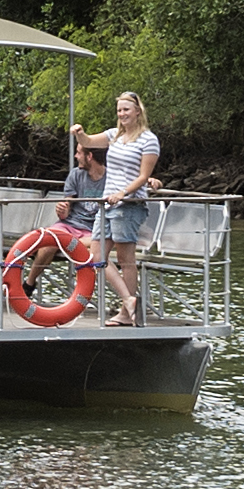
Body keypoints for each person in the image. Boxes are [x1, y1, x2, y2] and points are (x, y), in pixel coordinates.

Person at [92, 90, 163, 328]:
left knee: (125, 259)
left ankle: (126, 312)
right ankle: (129, 301)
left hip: (129, 204)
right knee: (97, 255)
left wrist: (123, 193)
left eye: (126, 109)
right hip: (106, 203)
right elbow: (88, 142)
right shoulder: (113, 135)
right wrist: (79, 133)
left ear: (137, 111)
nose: (122, 114)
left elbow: (144, 176)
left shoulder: (148, 139)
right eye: (119, 110)